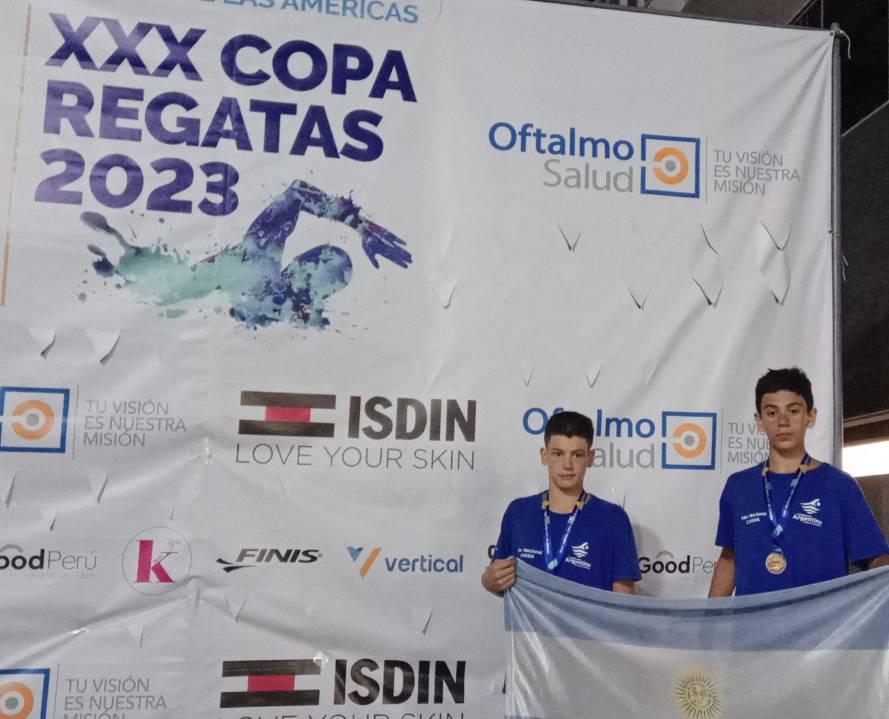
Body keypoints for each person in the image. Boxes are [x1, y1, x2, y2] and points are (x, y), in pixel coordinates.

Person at [709, 367, 889, 597]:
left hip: (822, 620)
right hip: (754, 621)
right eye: (772, 413)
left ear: (810, 416)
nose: (783, 421)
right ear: (759, 420)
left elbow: (876, 558)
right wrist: (708, 618)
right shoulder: (739, 486)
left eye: (793, 411)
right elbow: (729, 559)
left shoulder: (839, 486)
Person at [481, 410, 640, 595]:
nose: (567, 465)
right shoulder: (518, 512)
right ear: (544, 455)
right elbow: (497, 578)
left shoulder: (613, 519)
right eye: (558, 454)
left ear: (590, 458)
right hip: (528, 617)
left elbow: (623, 601)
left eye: (577, 455)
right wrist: (488, 581)